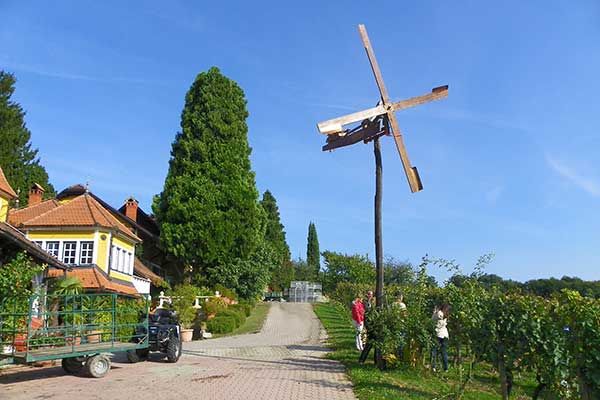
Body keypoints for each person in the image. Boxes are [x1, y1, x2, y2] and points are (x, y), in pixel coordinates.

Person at [431, 303, 450, 372]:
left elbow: (432, 320)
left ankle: (433, 367)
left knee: (434, 350)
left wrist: (434, 312)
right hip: (445, 335)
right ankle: (446, 368)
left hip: (438, 334)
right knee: (444, 351)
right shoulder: (446, 315)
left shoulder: (438, 313)